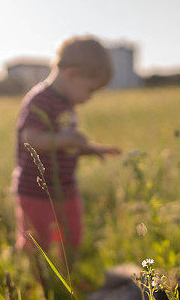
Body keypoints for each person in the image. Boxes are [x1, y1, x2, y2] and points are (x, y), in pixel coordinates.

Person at [12, 36, 120, 283]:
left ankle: (68, 277)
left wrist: (91, 149)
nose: (90, 97)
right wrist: (69, 139)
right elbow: (32, 138)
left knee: (71, 235)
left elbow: (64, 145)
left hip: (65, 187)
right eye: (90, 89)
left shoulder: (66, 103)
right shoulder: (40, 100)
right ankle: (38, 283)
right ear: (71, 75)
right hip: (34, 189)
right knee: (36, 240)